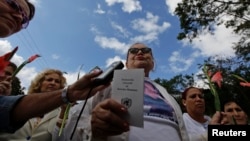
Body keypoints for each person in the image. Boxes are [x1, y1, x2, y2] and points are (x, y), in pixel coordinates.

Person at [0, 0, 109, 133]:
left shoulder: (64, 107)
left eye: (24, 19)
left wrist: (69, 95)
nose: (19, 17)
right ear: (39, 82)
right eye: (13, 5)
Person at [53, 43, 190, 141]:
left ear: (152, 62)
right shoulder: (106, 85)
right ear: (126, 62)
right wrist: (93, 128)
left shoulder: (165, 93)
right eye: (134, 51)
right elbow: (71, 128)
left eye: (145, 50)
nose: (140, 53)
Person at [0, 69, 70, 141]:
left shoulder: (62, 113)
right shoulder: (20, 103)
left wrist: (63, 113)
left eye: (57, 81)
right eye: (49, 80)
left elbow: (61, 138)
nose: (53, 83)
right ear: (39, 83)